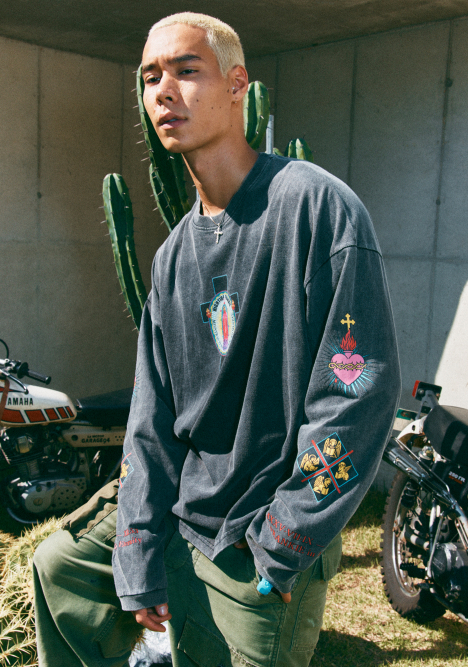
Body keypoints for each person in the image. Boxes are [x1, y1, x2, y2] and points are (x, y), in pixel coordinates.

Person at [33, 11, 401, 667]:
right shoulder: (172, 257)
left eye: (186, 70)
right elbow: (152, 419)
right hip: (184, 511)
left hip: (259, 533)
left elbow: (357, 390)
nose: (163, 91)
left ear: (237, 86)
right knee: (58, 568)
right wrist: (137, 549)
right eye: (150, 77)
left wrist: (284, 539)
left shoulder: (316, 208)